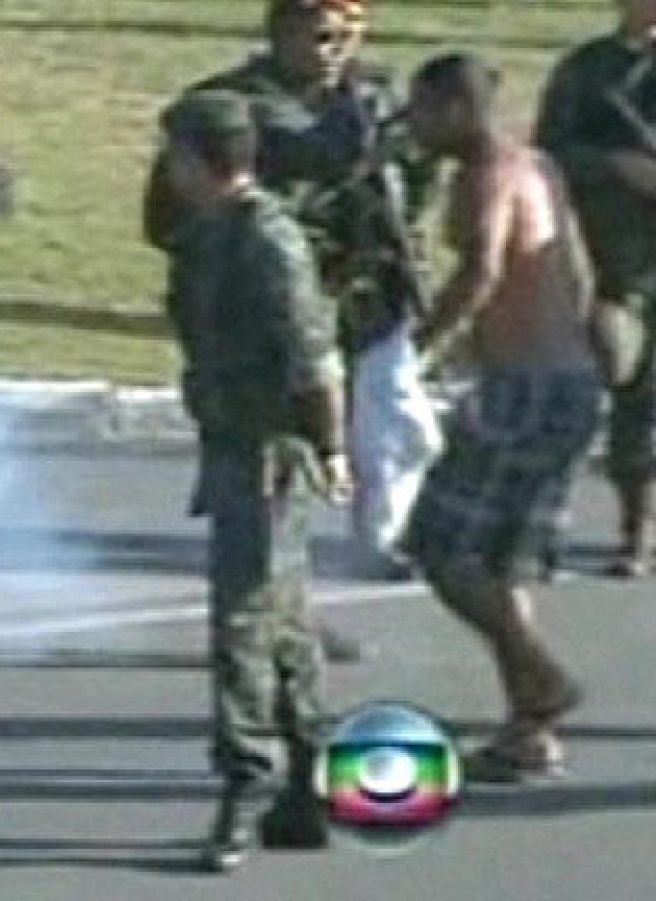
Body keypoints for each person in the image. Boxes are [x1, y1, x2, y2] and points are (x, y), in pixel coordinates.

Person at [145, 0, 411, 662]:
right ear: (283, 32)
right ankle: (254, 627)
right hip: (256, 311)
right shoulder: (229, 110)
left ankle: (289, 616)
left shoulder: (369, 103)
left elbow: (397, 196)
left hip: (345, 297)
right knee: (260, 470)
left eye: (349, 34)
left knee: (308, 466)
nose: (337, 49)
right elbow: (167, 216)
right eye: (322, 35)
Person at [158, 90, 348, 873]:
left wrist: (333, 449)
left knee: (240, 620)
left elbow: (314, 360)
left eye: (174, 154)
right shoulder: (206, 235)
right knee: (283, 619)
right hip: (232, 442)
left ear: (200, 160)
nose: (165, 169)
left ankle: (247, 778)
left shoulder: (268, 240)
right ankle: (309, 771)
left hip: (269, 451)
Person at [402, 54, 602, 782]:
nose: (415, 126)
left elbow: (480, 268)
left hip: (524, 388)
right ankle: (529, 731)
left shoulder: (484, 174)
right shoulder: (538, 166)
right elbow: (577, 274)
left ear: (456, 109)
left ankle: (542, 675)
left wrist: (415, 351)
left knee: (439, 546)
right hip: (570, 380)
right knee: (501, 560)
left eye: (423, 111)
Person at [536, 0, 656, 578]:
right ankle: (556, 522)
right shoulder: (589, 71)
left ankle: (638, 529)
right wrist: (615, 165)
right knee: (604, 383)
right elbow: (549, 154)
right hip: (609, 261)